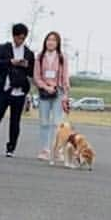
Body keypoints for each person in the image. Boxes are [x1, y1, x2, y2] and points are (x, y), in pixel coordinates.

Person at [0, 24, 33, 157]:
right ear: (14, 36)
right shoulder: (4, 48)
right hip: (4, 90)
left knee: (15, 121)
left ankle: (11, 148)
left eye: (23, 38)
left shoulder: (28, 53)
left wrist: (26, 65)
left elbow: (32, 71)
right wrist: (11, 62)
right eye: (19, 37)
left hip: (19, 91)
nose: (21, 40)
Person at [33, 31, 70, 162]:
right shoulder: (40, 57)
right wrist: (46, 87)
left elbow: (65, 77)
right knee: (44, 122)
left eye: (54, 40)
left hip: (58, 92)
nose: (51, 42)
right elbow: (36, 77)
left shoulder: (62, 57)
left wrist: (66, 95)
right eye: (49, 39)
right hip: (44, 92)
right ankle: (45, 150)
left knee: (57, 123)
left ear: (58, 43)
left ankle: (58, 150)